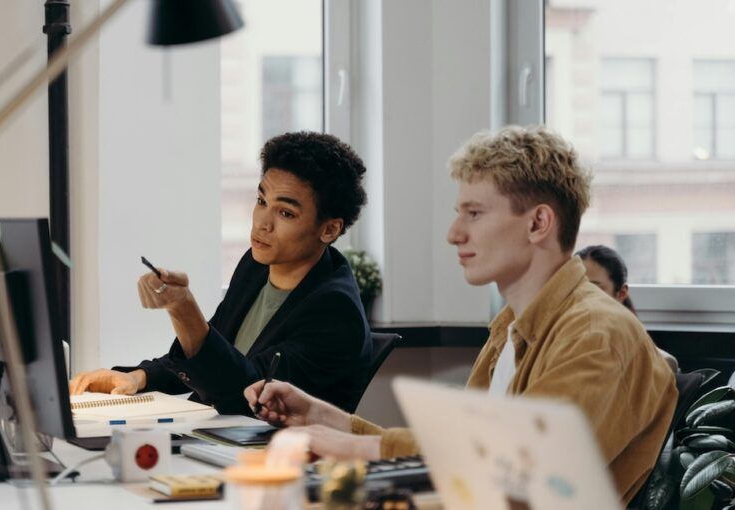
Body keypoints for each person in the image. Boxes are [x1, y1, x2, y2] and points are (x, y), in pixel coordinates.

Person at [245, 125, 677, 504]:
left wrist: (352, 450)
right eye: (459, 213)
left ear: (538, 223)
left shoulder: (595, 332)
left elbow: (521, 471)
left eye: (474, 213)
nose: (454, 233)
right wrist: (326, 419)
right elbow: (465, 450)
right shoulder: (512, 328)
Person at [70, 132, 373, 415]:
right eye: (261, 201)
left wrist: (183, 308)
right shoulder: (256, 267)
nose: (262, 223)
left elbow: (246, 395)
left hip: (276, 460)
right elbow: (214, 358)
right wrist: (138, 378)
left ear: (329, 229)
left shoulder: (335, 311)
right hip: (218, 441)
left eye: (285, 213)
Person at [577, 244, 679, 373]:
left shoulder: (656, 363)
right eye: (575, 286)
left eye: (593, 289)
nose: (581, 296)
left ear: (621, 293)